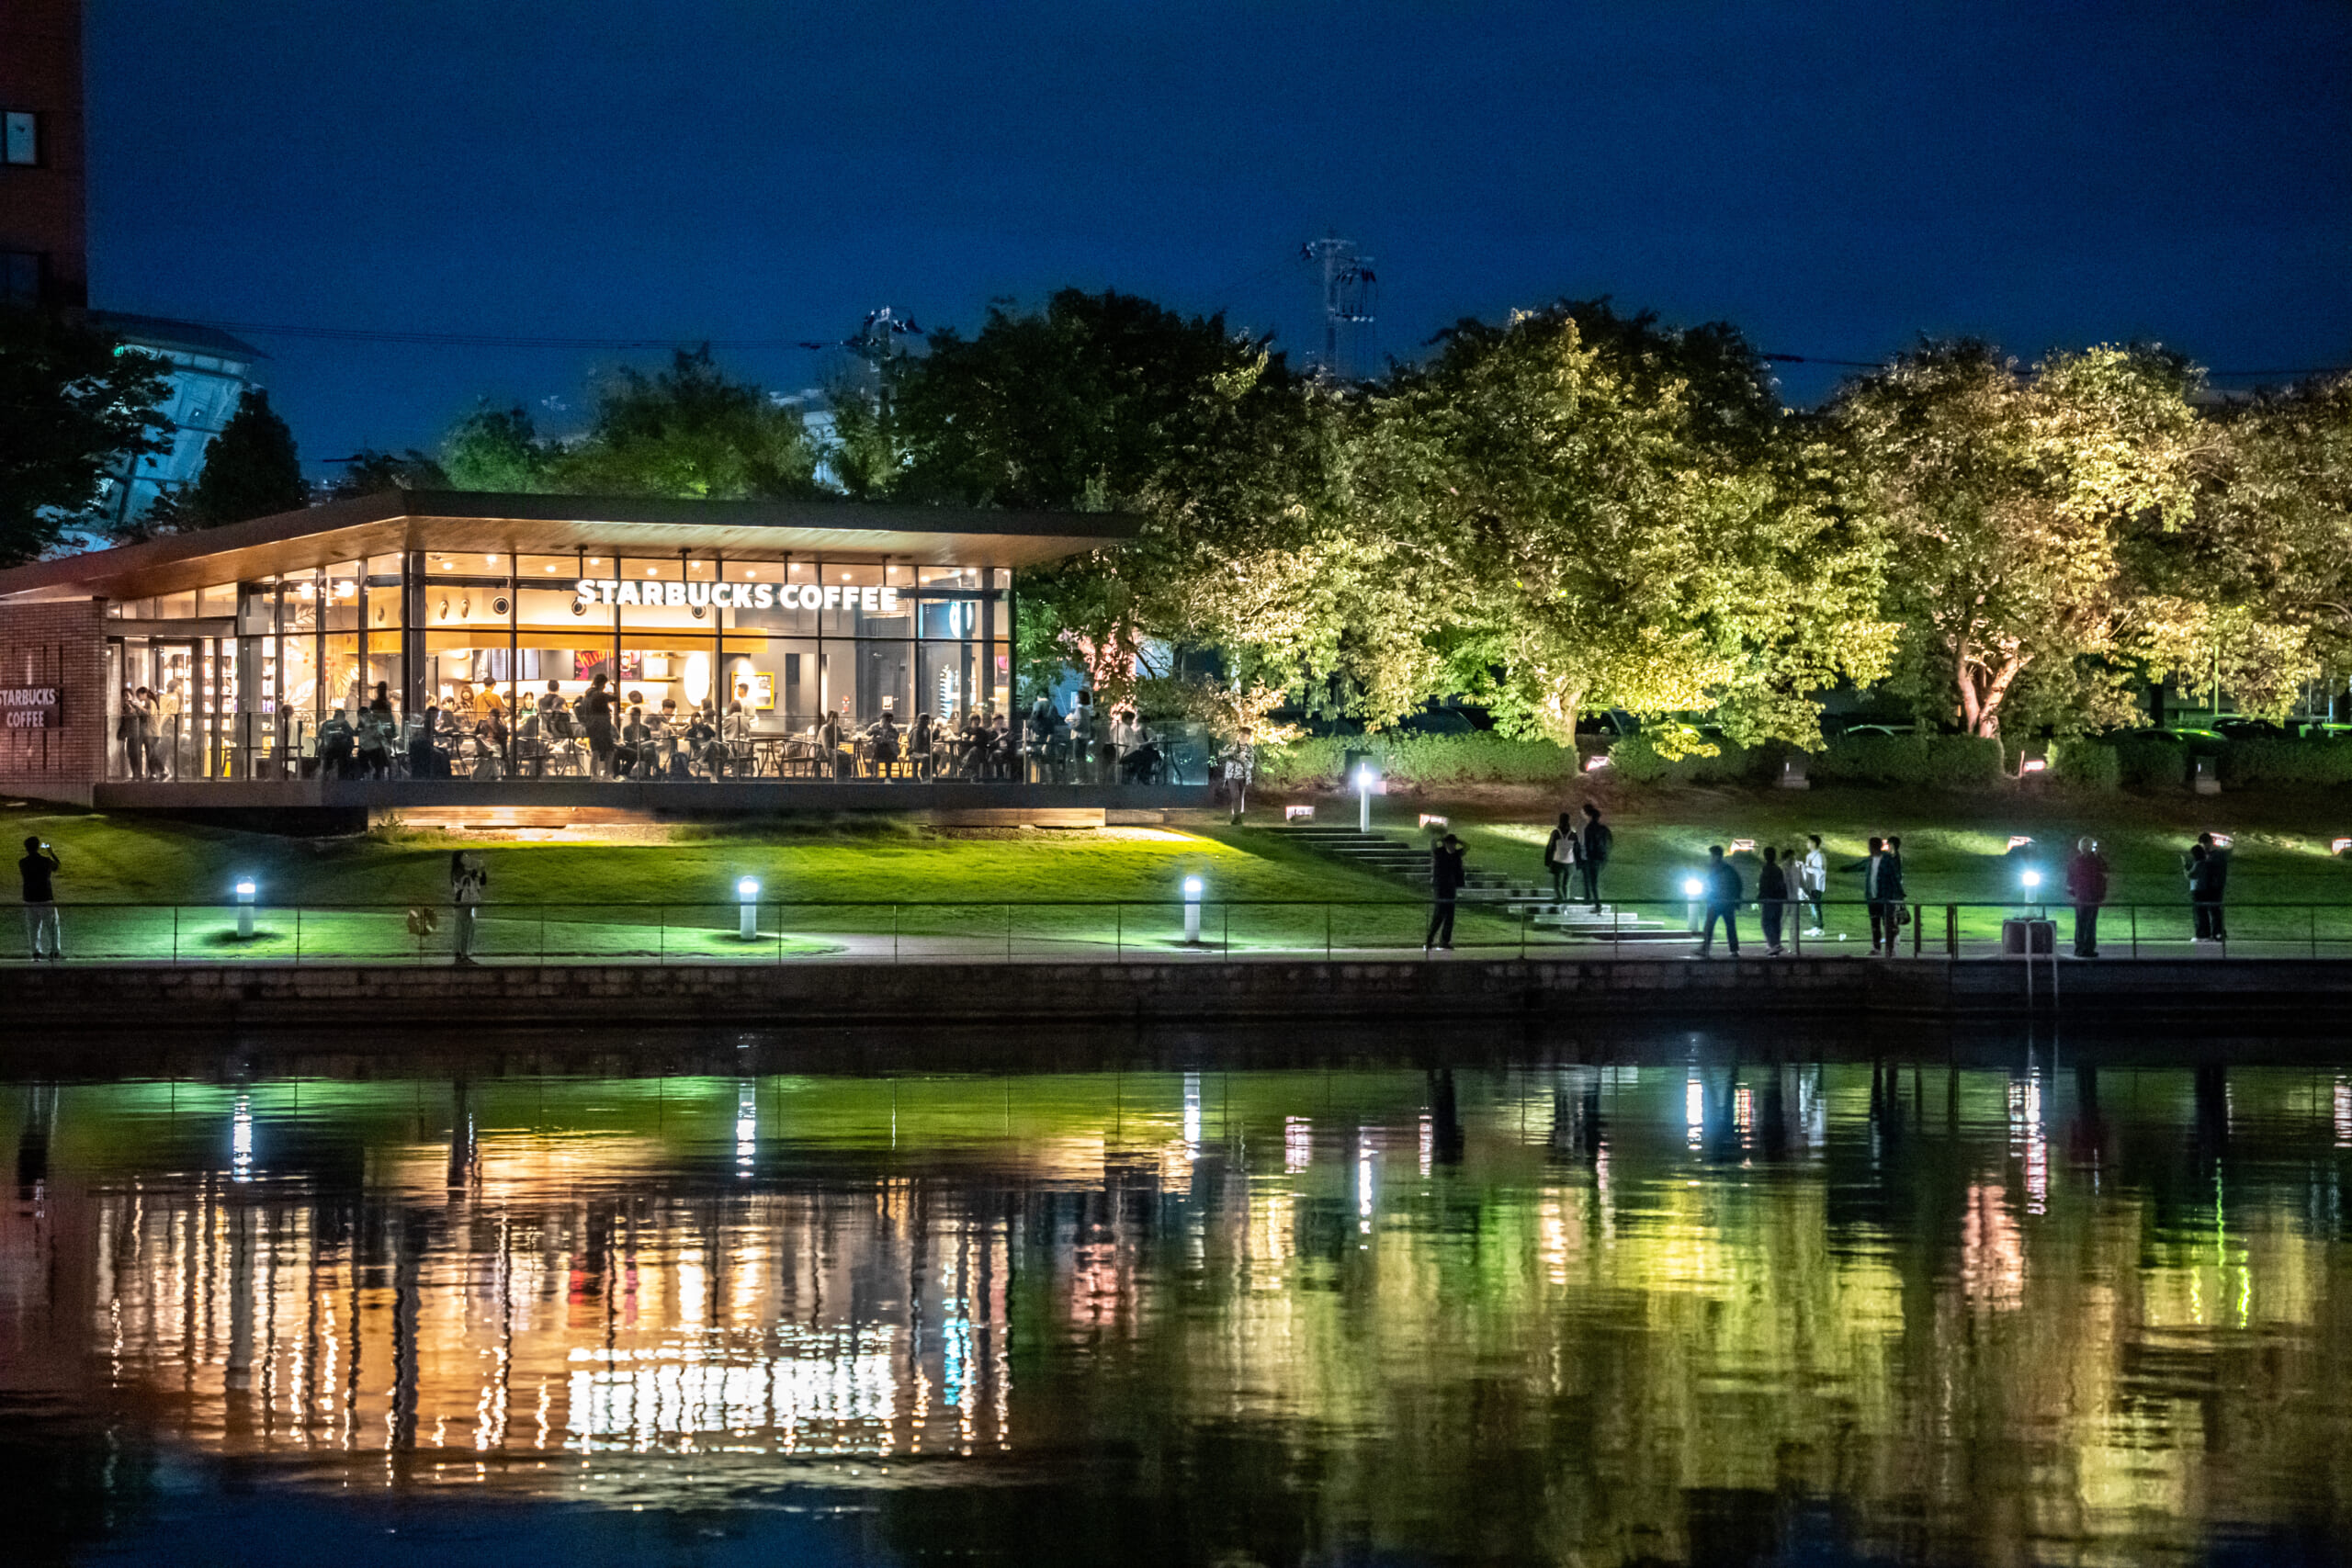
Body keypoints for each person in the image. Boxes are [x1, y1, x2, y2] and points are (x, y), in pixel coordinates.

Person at [2065, 835, 2109, 958]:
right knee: (2090, 923)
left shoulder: (2074, 861)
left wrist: (2074, 893)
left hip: (2080, 896)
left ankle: (2079, 948)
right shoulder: (2097, 861)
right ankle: (2089, 948)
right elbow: (2104, 875)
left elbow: (2070, 881)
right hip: (2093, 896)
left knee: (2080, 923)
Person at [1696, 844, 1744, 958]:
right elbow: (1738, 884)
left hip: (1717, 902)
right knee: (1729, 926)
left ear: (1716, 856)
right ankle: (1734, 950)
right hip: (1727, 902)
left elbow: (1713, 886)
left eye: (1712, 856)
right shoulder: (1728, 869)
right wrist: (1736, 900)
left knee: (1710, 925)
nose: (1710, 858)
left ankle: (1705, 949)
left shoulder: (1716, 869)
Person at [19, 835, 61, 962]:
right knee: (53, 926)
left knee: (33, 927)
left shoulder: (22, 862)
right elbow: (57, 866)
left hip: (30, 899)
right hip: (46, 897)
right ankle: (54, 951)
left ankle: (36, 952)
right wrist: (51, 853)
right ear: (38, 847)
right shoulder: (46, 861)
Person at [1425, 833, 1467, 953]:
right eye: (1450, 843)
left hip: (1451, 887)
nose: (1452, 846)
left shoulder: (1456, 854)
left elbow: (1467, 846)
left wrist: (1459, 840)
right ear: (1445, 844)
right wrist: (1440, 839)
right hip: (1440, 887)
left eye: (1453, 844)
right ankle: (1430, 939)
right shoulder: (1439, 853)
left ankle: (1444, 941)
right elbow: (1433, 843)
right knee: (1439, 914)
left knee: (1450, 915)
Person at [449, 850, 487, 964]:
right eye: (464, 855)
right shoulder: (458, 871)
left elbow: (481, 881)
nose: (467, 857)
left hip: (468, 903)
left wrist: (481, 870)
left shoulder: (464, 871)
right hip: (461, 904)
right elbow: (464, 880)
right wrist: (477, 870)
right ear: (459, 858)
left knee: (467, 928)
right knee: (461, 928)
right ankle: (460, 955)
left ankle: (464, 954)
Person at [2188, 838, 2229, 943]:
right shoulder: (2210, 859)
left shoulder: (2204, 862)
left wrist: (2185, 866)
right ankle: (2217, 934)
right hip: (2210, 888)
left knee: (2204, 912)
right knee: (2212, 912)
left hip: (2206, 889)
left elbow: (2190, 875)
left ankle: (2207, 934)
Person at [577, 672, 616, 778]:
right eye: (604, 684)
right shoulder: (599, 694)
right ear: (602, 683)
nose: (604, 686)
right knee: (610, 750)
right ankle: (607, 774)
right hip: (602, 726)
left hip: (591, 727)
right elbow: (615, 698)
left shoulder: (587, 696)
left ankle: (593, 775)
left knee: (595, 751)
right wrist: (615, 687)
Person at [1575, 803, 1612, 911]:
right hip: (1601, 858)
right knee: (1591, 881)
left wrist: (1585, 857)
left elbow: (1588, 845)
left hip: (1591, 859)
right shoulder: (1604, 829)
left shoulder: (1589, 828)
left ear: (1588, 815)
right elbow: (1609, 843)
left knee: (1592, 882)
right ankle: (1589, 900)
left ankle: (1596, 905)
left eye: (1583, 813)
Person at [1757, 845, 1789, 956]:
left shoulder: (1766, 869)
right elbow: (1782, 885)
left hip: (1769, 899)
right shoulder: (1778, 869)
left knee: (1766, 922)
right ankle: (1775, 944)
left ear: (1765, 856)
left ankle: (1773, 944)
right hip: (1778, 899)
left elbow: (1764, 886)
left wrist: (1760, 896)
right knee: (1775, 923)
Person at [1543, 811, 1578, 908]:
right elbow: (1577, 849)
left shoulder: (1556, 833)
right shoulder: (1573, 834)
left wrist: (1548, 861)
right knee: (1566, 885)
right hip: (1570, 862)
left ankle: (1562, 900)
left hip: (1558, 861)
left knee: (1557, 885)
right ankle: (1565, 904)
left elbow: (1550, 847)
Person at [1220, 728, 1256, 822]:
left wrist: (1243, 759)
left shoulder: (1249, 749)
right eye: (1241, 735)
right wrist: (1230, 754)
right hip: (1232, 775)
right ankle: (1236, 816)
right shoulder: (1230, 746)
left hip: (1243, 776)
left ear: (1248, 737)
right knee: (1235, 795)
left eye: (1245, 735)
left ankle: (1238, 817)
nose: (1242, 737)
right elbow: (1221, 754)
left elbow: (1251, 764)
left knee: (1240, 796)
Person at [1799, 834, 1828, 935]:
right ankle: (1815, 926)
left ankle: (1819, 927)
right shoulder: (1809, 856)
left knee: (1815, 905)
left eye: (1809, 842)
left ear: (1814, 843)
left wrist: (1807, 867)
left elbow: (1821, 871)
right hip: (1810, 884)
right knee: (1812, 906)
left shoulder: (1819, 856)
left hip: (1817, 885)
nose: (1807, 843)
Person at [317, 705, 357, 778]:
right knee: (331, 759)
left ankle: (339, 776)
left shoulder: (345, 724)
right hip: (330, 749)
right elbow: (321, 735)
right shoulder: (328, 724)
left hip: (341, 750)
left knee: (343, 760)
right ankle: (328, 775)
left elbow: (352, 733)